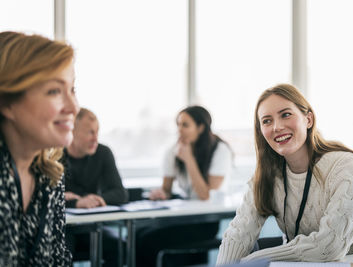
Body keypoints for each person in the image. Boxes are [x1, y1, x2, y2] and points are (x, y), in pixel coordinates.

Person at [217, 84, 353, 265]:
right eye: (267, 121)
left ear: (308, 120)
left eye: (286, 114)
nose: (277, 127)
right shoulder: (268, 174)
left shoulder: (346, 167)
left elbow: (328, 247)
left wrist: (255, 260)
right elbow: (238, 236)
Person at [0, 31, 78, 266]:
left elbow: (58, 259)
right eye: (54, 91)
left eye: (72, 90)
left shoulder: (49, 176)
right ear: (7, 103)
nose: (73, 106)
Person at [136, 105, 233, 267]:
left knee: (147, 240)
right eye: (178, 125)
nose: (179, 130)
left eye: (185, 125)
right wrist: (161, 194)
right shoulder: (173, 151)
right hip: (181, 217)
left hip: (205, 222)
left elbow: (206, 195)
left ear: (201, 128)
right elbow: (166, 189)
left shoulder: (220, 150)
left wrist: (189, 160)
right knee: (137, 232)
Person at [64, 107, 128, 266]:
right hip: (62, 228)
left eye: (97, 132)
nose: (95, 138)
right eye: (89, 132)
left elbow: (120, 194)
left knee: (120, 247)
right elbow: (47, 198)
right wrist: (77, 203)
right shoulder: (54, 155)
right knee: (62, 249)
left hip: (91, 226)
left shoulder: (103, 153)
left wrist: (94, 200)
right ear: (72, 131)